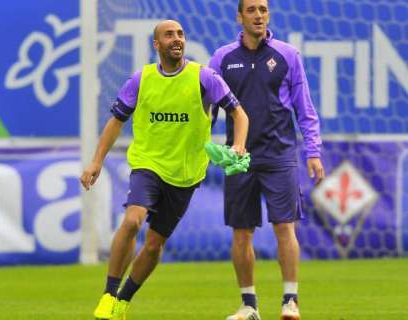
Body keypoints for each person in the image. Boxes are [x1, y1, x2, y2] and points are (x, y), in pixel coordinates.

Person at [81, 20, 249, 320]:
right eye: (169, 35)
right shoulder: (141, 78)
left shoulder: (204, 77)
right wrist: (96, 162)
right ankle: (108, 294)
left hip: (185, 174)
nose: (177, 39)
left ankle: (123, 300)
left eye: (181, 34)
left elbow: (239, 113)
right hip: (148, 163)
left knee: (155, 244)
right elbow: (116, 121)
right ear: (156, 45)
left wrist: (238, 146)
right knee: (133, 220)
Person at [208, 0, 325, 319]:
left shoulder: (288, 55)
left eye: (263, 9)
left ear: (268, 15)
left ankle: (291, 300)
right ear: (239, 16)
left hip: (280, 154)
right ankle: (249, 306)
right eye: (252, 10)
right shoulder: (222, 58)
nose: (258, 15)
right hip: (239, 157)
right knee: (241, 232)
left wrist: (313, 152)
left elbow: (305, 108)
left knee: (284, 226)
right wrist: (203, 143)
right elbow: (207, 108)